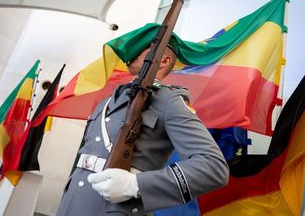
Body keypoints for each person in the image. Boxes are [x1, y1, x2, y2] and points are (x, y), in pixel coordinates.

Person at [56, 34, 229, 215]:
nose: (131, 51)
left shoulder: (168, 101)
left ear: (163, 60)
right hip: (71, 204)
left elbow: (213, 167)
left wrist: (135, 185)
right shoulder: (107, 101)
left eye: (141, 47)